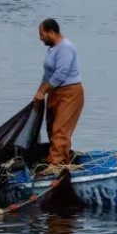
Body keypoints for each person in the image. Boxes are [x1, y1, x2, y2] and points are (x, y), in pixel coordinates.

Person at [33, 18, 84, 169]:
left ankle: (55, 166)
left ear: (52, 32)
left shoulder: (65, 47)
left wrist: (43, 91)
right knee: (51, 128)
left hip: (70, 92)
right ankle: (62, 160)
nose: (40, 38)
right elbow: (48, 74)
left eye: (42, 34)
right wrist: (38, 92)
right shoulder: (52, 49)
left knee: (60, 130)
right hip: (54, 92)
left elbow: (61, 73)